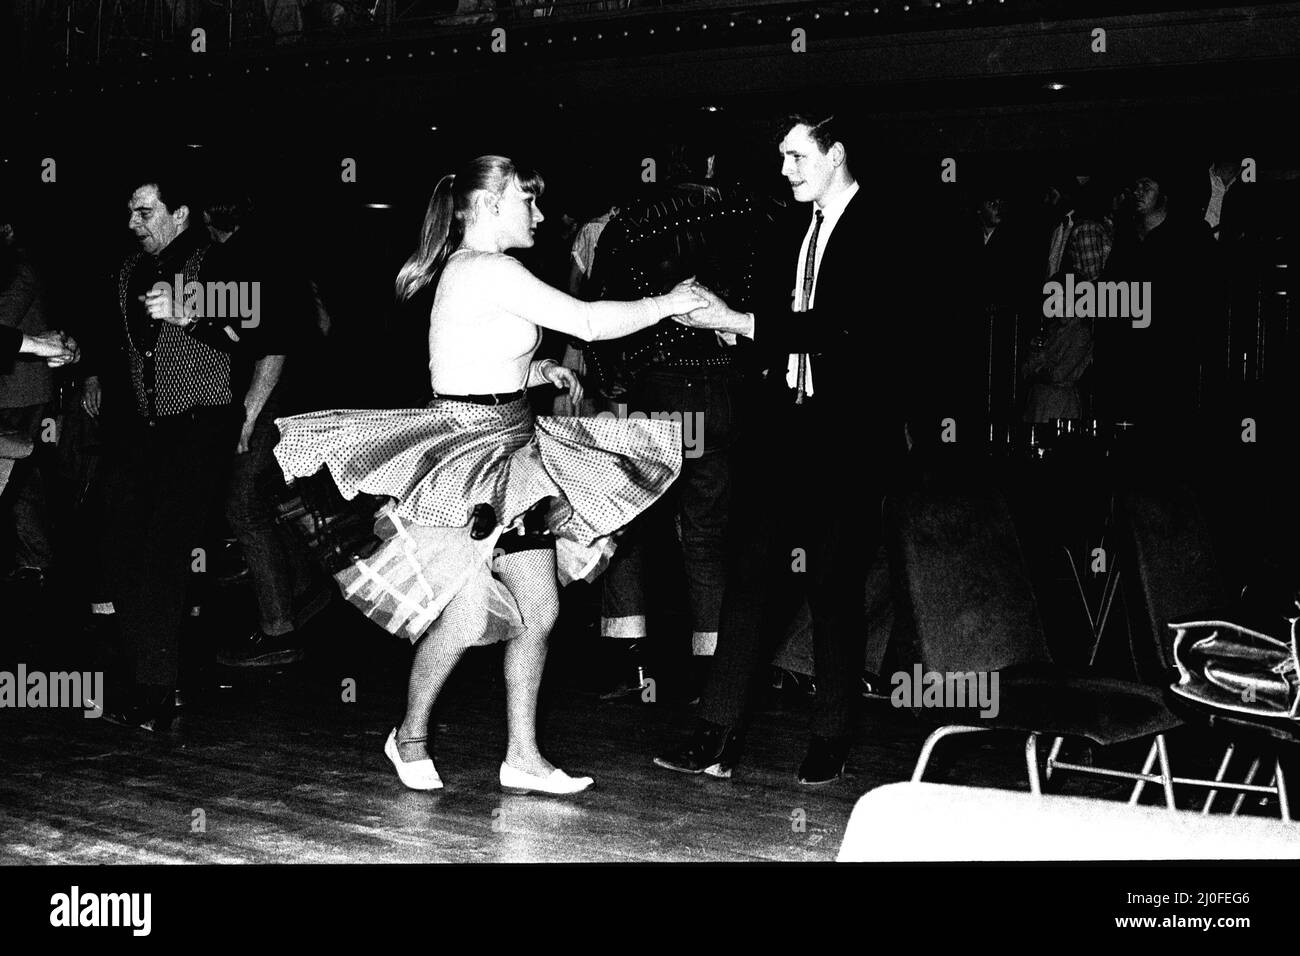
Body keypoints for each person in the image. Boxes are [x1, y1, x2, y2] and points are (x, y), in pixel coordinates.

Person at [272, 155, 707, 795]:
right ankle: (409, 736)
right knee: (471, 618)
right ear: (489, 204)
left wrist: (535, 374)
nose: (537, 214)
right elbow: (587, 323)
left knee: (540, 606)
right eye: (526, 202)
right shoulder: (489, 268)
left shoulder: (471, 271)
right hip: (468, 465)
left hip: (512, 454)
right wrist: (667, 303)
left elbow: (465, 362)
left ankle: (523, 758)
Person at [654, 113, 912, 784]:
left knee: (832, 586)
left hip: (847, 440)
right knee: (749, 577)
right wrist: (729, 327)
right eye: (782, 158)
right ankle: (716, 735)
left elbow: (846, 329)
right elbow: (781, 327)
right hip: (785, 432)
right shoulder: (793, 229)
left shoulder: (884, 225)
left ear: (837, 153)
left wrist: (740, 321)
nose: (785, 170)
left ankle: (830, 736)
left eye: (797, 156)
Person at [91, 171, 250, 731]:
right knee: (125, 545)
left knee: (165, 550)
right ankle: (162, 677)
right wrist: (87, 371)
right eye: (131, 213)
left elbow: (255, 326)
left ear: (180, 214)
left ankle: (157, 691)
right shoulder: (129, 270)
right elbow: (120, 347)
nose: (132, 223)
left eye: (145, 212)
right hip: (148, 428)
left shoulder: (217, 262)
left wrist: (193, 312)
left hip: (202, 424)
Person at [0, 213, 58, 582]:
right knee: (21, 477)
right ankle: (35, 558)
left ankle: (35, 559)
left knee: (17, 477)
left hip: (18, 391)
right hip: (17, 388)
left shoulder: (18, 269)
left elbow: (3, 322)